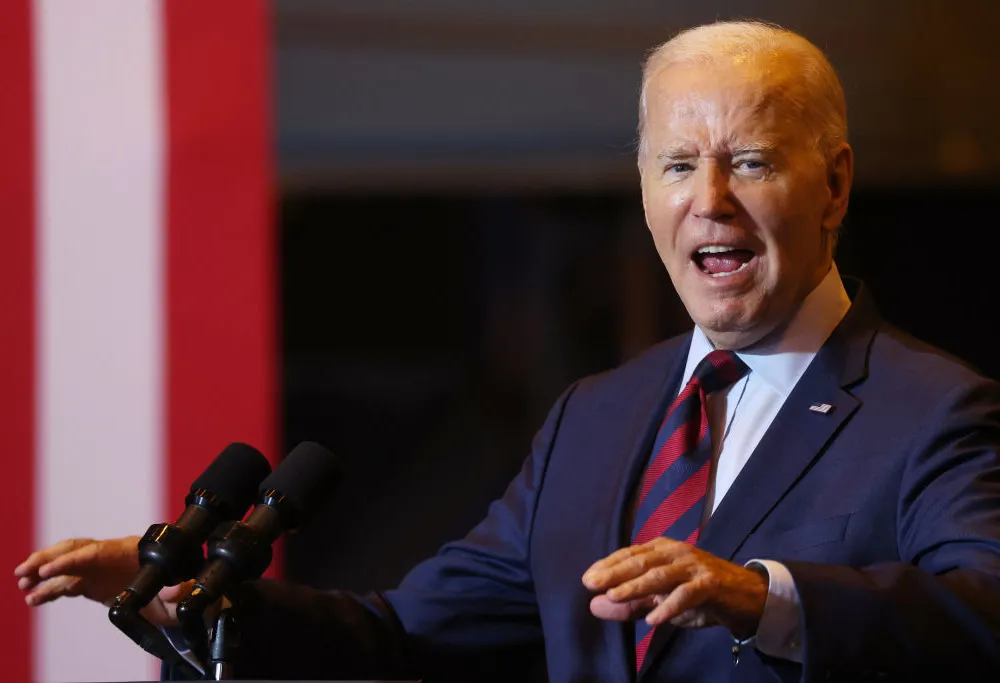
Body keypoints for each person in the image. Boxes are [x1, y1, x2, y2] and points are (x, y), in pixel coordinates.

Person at [15, 19, 1000, 682]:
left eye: (748, 161)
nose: (709, 199)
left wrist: (763, 595)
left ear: (832, 186)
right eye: (675, 164)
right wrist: (209, 601)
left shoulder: (935, 409)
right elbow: (407, 635)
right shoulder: (598, 413)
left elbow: (983, 614)